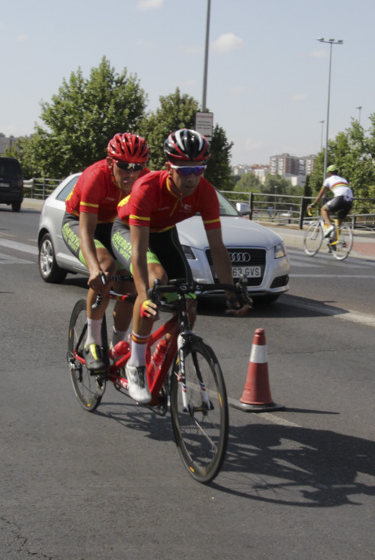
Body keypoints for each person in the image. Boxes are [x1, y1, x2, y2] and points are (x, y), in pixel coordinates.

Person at [112, 129, 250, 403]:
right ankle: (136, 364)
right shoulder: (146, 189)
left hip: (164, 234)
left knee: (188, 302)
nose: (192, 178)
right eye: (184, 171)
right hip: (129, 230)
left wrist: (232, 293)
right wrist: (143, 297)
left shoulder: (206, 192)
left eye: (198, 169)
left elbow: (218, 248)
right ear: (168, 168)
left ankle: (162, 352)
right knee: (155, 282)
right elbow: (139, 253)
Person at [62, 133, 150, 374]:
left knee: (132, 283)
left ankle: (117, 345)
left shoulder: (145, 180)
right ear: (111, 163)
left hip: (114, 226)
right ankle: (92, 342)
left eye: (138, 167)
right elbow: (86, 232)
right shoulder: (95, 177)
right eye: (124, 166)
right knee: (105, 268)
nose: (131, 173)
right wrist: (93, 269)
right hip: (79, 222)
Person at [311, 165, 354, 239]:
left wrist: (314, 203)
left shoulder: (328, 179)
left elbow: (321, 193)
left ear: (329, 173)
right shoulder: (344, 179)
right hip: (350, 201)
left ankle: (330, 226)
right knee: (339, 223)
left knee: (323, 209)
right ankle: (333, 242)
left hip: (340, 198)